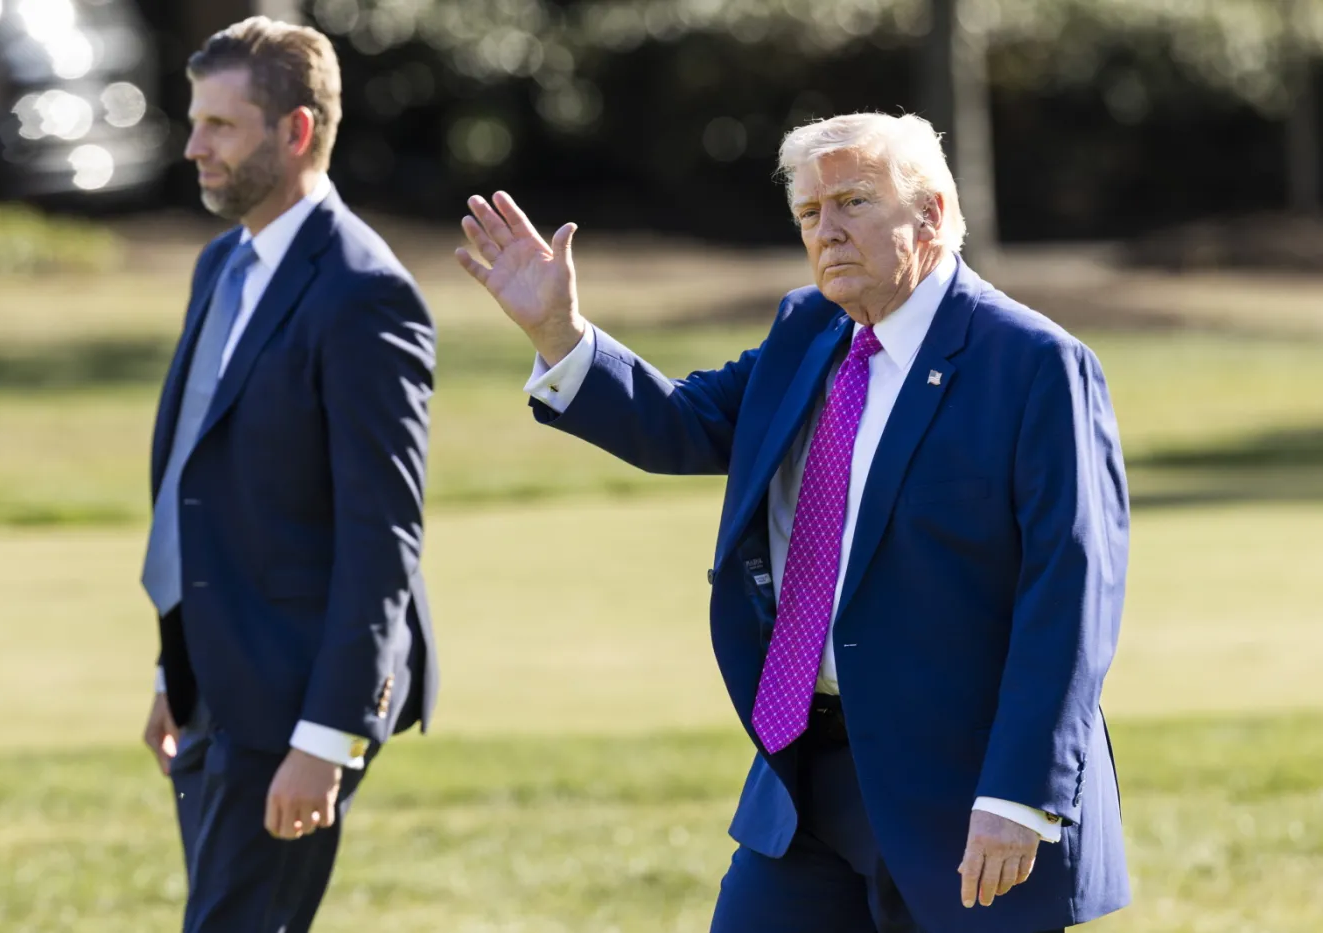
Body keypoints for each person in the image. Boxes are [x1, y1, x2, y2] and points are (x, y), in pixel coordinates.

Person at [455, 112, 1129, 933]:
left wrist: (1021, 794)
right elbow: (682, 424)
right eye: (810, 213)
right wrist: (559, 334)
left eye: (853, 201)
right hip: (804, 778)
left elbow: (1073, 590)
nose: (828, 231)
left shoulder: (1033, 362)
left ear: (935, 212)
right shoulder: (808, 329)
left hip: (965, 793)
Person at [138, 18, 436, 933]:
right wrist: (171, 667)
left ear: (296, 131)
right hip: (213, 684)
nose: (193, 146)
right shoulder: (220, 264)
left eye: (221, 126)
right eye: (196, 122)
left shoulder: (365, 294)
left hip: (298, 699)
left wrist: (328, 736)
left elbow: (383, 535)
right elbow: (203, 475)